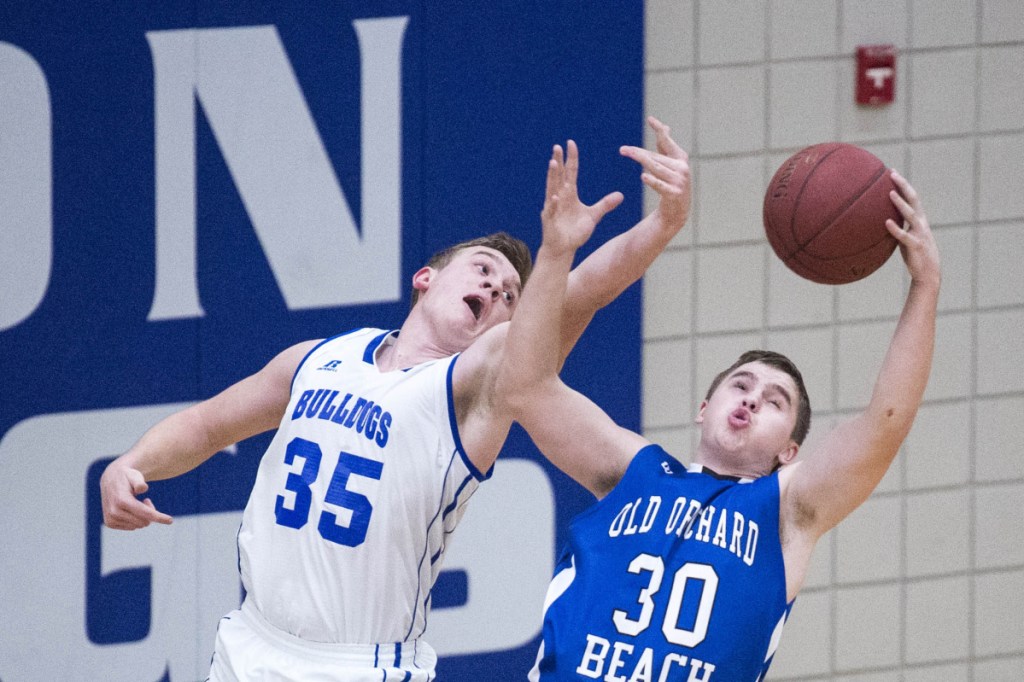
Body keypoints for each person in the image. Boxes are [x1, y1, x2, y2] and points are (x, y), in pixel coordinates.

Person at [99, 117, 693, 681]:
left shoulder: (472, 387)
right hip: (249, 645)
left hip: (360, 665)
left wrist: (659, 224)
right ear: (425, 278)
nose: (495, 287)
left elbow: (580, 294)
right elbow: (207, 425)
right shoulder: (320, 357)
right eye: (483, 270)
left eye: (512, 295)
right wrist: (133, 464)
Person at [496, 150, 939, 681]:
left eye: (775, 402)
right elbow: (525, 385)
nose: (751, 399)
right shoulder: (633, 470)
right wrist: (556, 255)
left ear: (789, 451)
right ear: (704, 409)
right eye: (741, 385)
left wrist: (925, 288)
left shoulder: (787, 511)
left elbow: (885, 422)